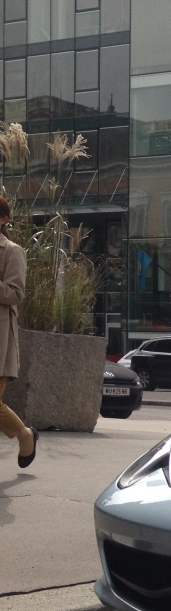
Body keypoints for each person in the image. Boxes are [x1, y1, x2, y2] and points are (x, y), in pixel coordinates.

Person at [0, 197, 37, 468]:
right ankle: (24, 434)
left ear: (3, 219)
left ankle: (25, 435)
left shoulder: (12, 251)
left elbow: (15, 293)